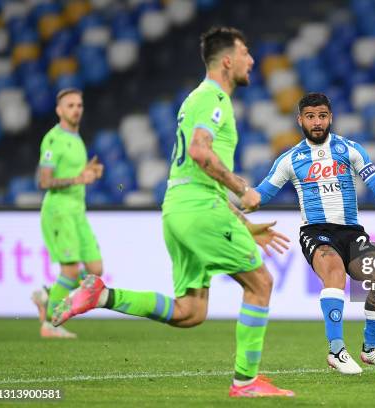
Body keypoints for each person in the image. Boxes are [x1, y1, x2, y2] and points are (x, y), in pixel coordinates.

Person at [51, 27, 294, 398]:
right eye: (245, 52)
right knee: (260, 284)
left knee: (190, 312)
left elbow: (194, 175)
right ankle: (246, 382)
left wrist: (244, 224)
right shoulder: (215, 98)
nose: (252, 60)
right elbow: (200, 152)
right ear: (227, 60)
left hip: (178, 209)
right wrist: (243, 189)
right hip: (200, 209)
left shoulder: (193, 99)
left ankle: (102, 296)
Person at [254, 92, 375, 375]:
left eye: (322, 116)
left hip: (350, 231)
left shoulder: (349, 149)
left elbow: (372, 174)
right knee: (334, 273)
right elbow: (262, 193)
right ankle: (336, 350)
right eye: (310, 117)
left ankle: (371, 350)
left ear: (330, 118)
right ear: (300, 120)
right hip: (316, 232)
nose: (317, 122)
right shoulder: (290, 159)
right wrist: (237, 203)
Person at [32, 88, 104, 338]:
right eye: (70, 105)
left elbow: (74, 175)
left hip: (78, 212)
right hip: (59, 211)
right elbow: (44, 181)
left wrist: (88, 172)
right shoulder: (53, 139)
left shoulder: (76, 138)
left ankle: (48, 296)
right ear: (59, 110)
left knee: (95, 270)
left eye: (79, 105)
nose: (76, 109)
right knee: (71, 271)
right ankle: (50, 324)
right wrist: (78, 177)